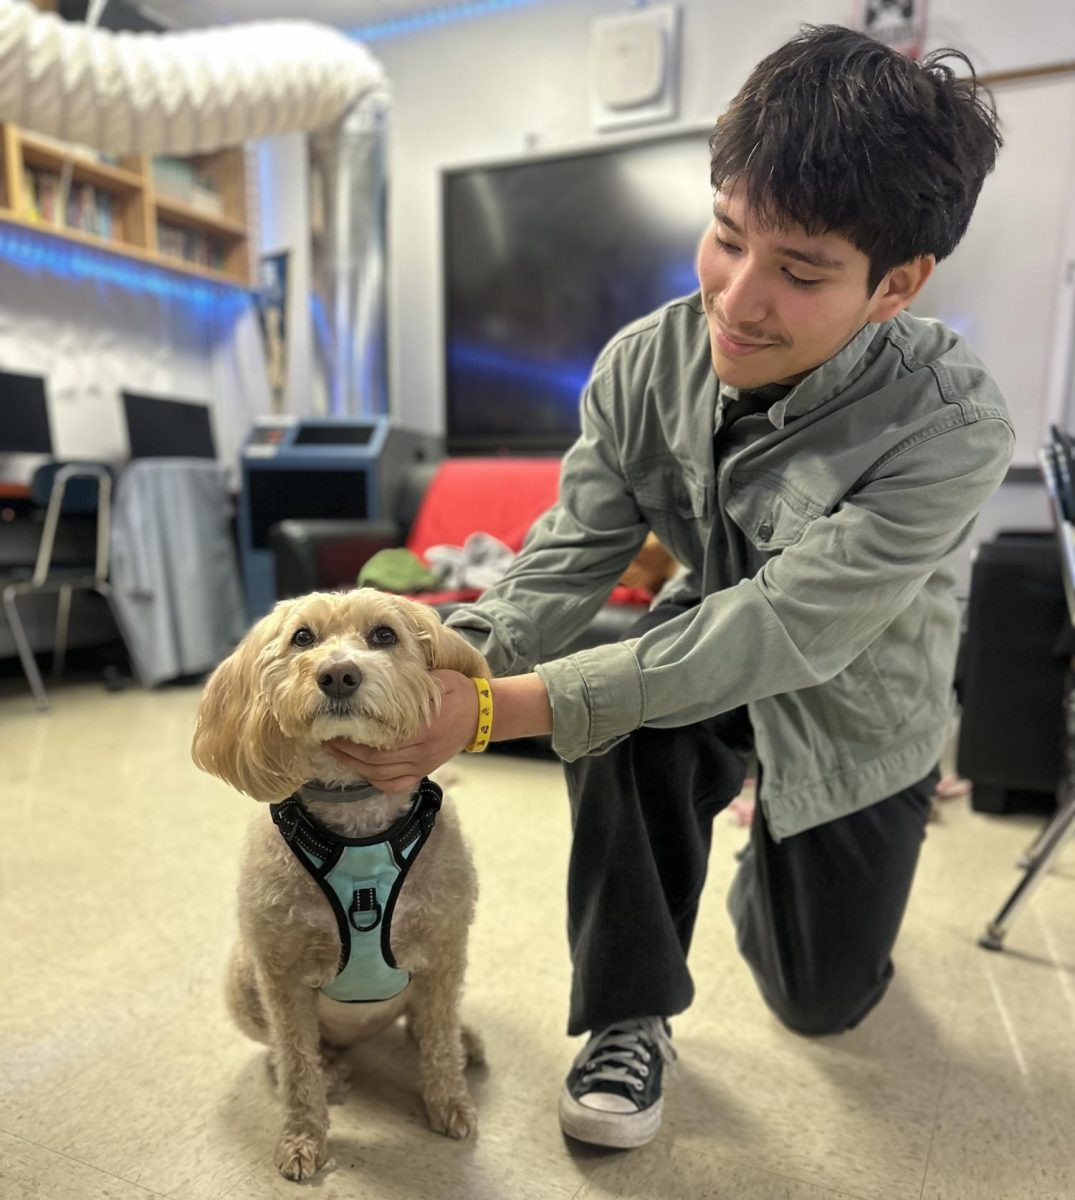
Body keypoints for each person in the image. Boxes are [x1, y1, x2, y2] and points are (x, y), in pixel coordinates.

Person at [331, 24, 1012, 1150]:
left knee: (821, 999)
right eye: (726, 237)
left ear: (895, 283)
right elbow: (567, 554)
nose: (738, 301)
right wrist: (445, 667)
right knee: (624, 713)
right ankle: (626, 1013)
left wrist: (496, 712)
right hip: (697, 667)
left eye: (798, 272)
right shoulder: (643, 365)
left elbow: (790, 623)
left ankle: (768, 859)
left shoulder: (950, 423)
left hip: (856, 712)